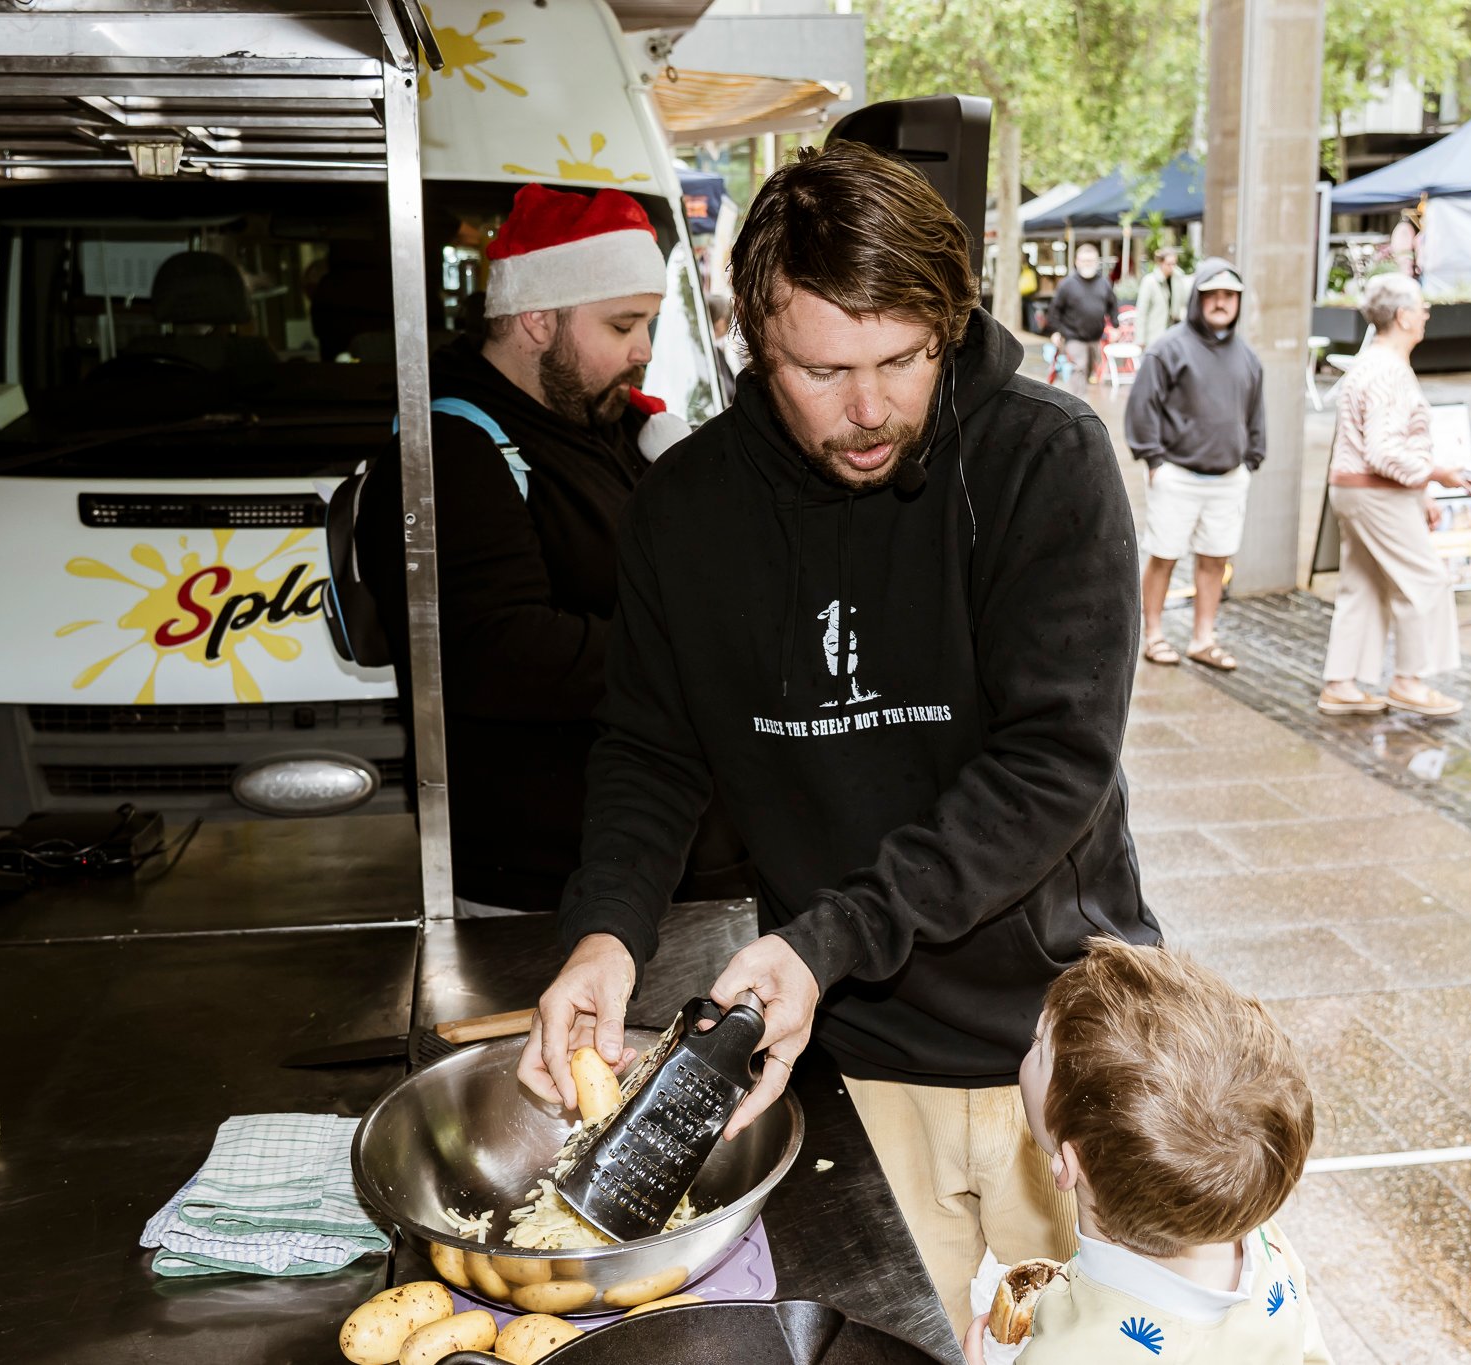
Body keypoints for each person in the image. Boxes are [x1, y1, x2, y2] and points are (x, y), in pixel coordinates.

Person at [515, 142, 1156, 1337]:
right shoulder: (687, 508)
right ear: (752, 343)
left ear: (948, 326)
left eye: (903, 360)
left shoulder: (1042, 460)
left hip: (1056, 1046)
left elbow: (1051, 763)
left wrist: (827, 937)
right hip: (844, 1056)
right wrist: (604, 931)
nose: (868, 411)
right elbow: (650, 750)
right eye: (820, 370)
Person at [355, 183, 693, 914]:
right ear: (538, 319)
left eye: (650, 325)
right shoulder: (447, 454)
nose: (643, 350)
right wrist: (696, 652)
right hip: (533, 888)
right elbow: (498, 649)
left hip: (635, 865)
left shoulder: (601, 427)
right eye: (623, 324)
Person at [962, 938, 1331, 1364]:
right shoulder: (1270, 1250)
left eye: (1040, 1044)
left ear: (1068, 1165)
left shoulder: (1069, 1353)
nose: (1036, 1031)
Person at [1318, 274, 1471, 718]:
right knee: (1426, 581)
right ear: (1403, 316)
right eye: (1422, 308)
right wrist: (1435, 474)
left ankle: (1341, 683)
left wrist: (1420, 489)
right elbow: (1384, 450)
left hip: (1357, 492)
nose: (1426, 314)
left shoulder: (1371, 364)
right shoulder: (1388, 369)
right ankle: (1410, 680)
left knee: (1362, 586)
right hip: (1377, 493)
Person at [1124, 259, 1264, 672]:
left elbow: (1256, 413)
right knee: (1164, 555)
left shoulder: (1247, 357)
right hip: (1178, 477)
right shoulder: (1168, 348)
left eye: (1229, 296)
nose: (1221, 303)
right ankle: (1153, 635)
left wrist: (1251, 459)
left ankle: (1204, 639)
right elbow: (1141, 407)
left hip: (1228, 479)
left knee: (1215, 558)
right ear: (1198, 298)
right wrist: (1155, 461)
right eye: (1213, 294)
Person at [1047, 243, 1117, 398]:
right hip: (1073, 336)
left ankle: (1079, 399)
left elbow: (1112, 305)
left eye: (1091, 260)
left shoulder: (1104, 283)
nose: (1087, 264)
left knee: (1089, 370)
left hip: (1095, 337)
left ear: (1097, 262)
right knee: (1080, 367)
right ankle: (1078, 404)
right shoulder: (1067, 284)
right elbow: (1054, 310)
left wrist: (1115, 326)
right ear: (1077, 262)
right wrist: (1055, 332)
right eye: (1084, 260)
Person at [1133, 246, 1190, 352]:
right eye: (1169, 264)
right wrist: (1140, 339)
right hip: (1155, 333)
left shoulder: (1178, 280)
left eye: (1174, 263)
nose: (1172, 267)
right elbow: (1142, 311)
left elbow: (1183, 302)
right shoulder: (1149, 281)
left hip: (1174, 332)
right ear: (1160, 263)